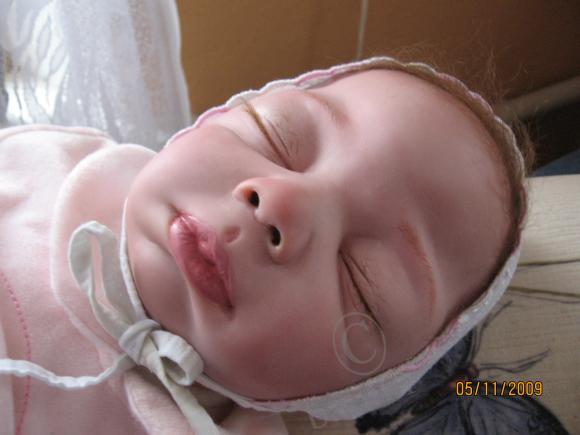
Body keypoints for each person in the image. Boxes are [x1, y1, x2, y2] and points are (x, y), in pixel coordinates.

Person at [0, 56, 533, 434]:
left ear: (348, 394)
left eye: (363, 278)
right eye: (279, 135)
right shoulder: (42, 161)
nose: (280, 204)